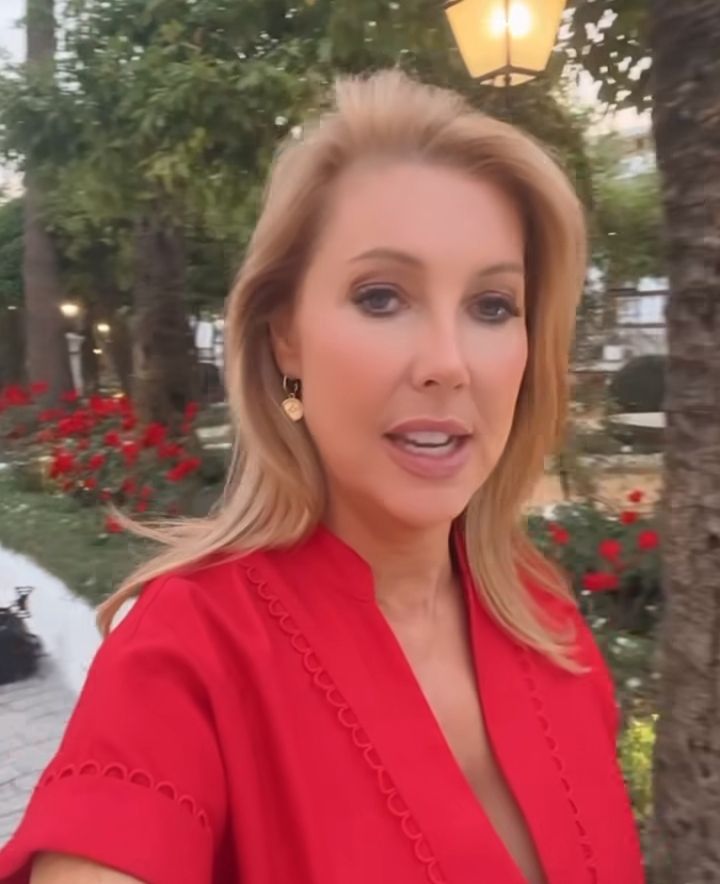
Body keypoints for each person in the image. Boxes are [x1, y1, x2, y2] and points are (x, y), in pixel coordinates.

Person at [0, 70, 645, 884]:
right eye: (381, 297)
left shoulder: (548, 624)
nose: (449, 363)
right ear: (286, 337)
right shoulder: (188, 655)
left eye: (492, 306)